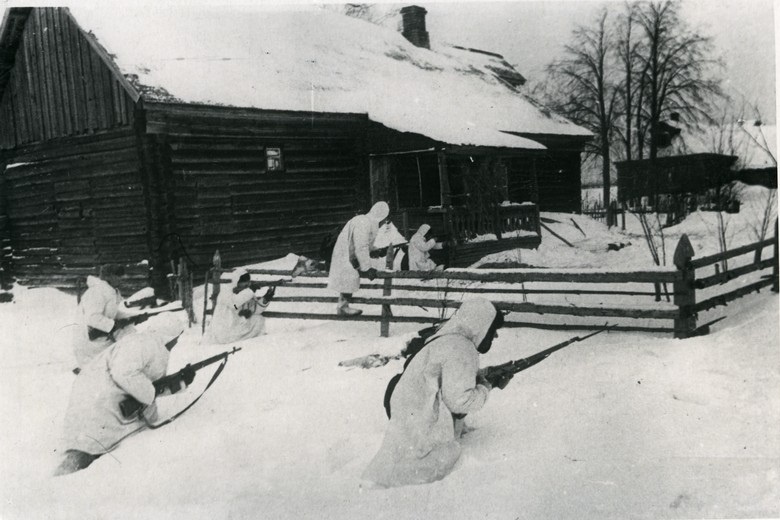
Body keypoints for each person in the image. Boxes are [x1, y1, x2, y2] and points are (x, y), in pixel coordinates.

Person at [362, 298, 510, 488]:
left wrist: (483, 376)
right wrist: (487, 386)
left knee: (398, 457)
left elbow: (449, 379)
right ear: (480, 326)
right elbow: (460, 402)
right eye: (492, 330)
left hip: (408, 413)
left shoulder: (448, 338)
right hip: (421, 420)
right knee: (429, 464)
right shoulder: (461, 347)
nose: (494, 336)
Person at [55, 314, 187, 476]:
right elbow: (124, 374)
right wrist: (152, 393)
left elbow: (146, 383)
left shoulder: (148, 342)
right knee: (88, 448)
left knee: (94, 444)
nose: (177, 342)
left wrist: (180, 383)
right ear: (171, 335)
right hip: (99, 399)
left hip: (97, 394)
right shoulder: (147, 344)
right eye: (177, 338)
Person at [71, 264, 139, 371]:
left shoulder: (112, 291)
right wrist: (113, 325)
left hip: (100, 332)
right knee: (127, 338)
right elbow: (93, 318)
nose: (122, 279)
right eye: (118, 276)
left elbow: (112, 312)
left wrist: (129, 317)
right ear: (109, 277)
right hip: (88, 339)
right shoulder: (97, 292)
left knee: (129, 333)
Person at [327, 201, 390, 316]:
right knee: (349, 276)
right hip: (346, 254)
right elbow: (361, 246)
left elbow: (365, 245)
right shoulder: (364, 222)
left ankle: (343, 305)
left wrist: (377, 251)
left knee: (349, 276)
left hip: (349, 254)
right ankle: (343, 307)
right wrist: (367, 268)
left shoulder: (368, 222)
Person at [207, 268, 274, 344]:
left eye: (248, 283)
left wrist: (265, 299)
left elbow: (254, 309)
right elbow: (234, 305)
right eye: (245, 284)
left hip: (235, 327)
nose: (247, 286)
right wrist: (250, 291)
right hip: (222, 330)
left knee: (259, 319)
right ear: (237, 282)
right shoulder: (226, 292)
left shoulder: (245, 293)